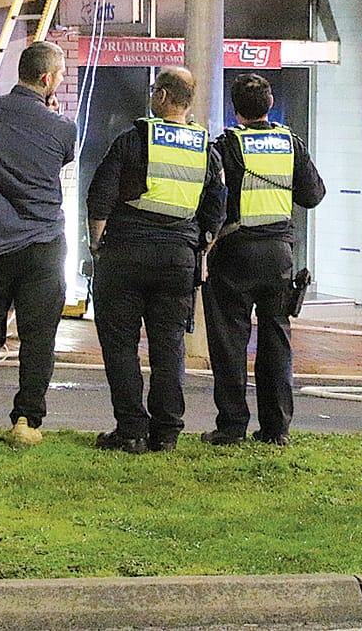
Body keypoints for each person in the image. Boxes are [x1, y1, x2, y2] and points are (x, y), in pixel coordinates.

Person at [87, 66, 224, 453]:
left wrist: (96, 246)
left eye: (154, 91)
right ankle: (166, 433)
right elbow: (216, 211)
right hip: (178, 259)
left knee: (120, 344)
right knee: (169, 347)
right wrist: (200, 249)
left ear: (162, 96)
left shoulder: (133, 140)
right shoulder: (206, 150)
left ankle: (131, 430)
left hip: (126, 255)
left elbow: (99, 199)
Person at [0, 41, 77, 448]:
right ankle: (26, 421)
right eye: (60, 75)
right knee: (38, 339)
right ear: (47, 78)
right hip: (41, 246)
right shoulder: (62, 128)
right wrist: (49, 116)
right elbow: (58, 158)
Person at [203, 73, 325, 445]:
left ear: (234, 108)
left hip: (234, 253)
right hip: (278, 256)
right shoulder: (290, 143)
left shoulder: (225, 145)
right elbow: (313, 195)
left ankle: (232, 427)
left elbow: (212, 200)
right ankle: (276, 430)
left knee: (229, 343)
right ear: (270, 104)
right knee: (276, 341)